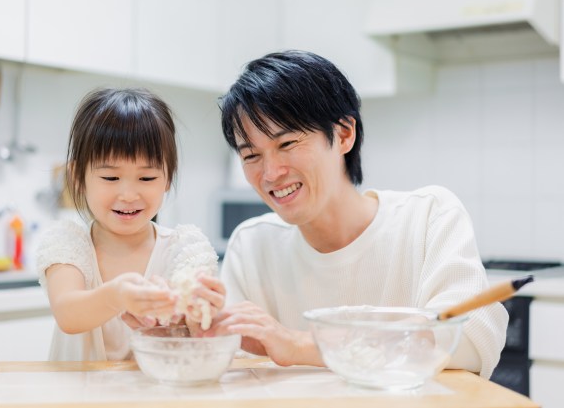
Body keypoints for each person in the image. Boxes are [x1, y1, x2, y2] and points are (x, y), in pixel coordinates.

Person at [207, 50, 508, 379]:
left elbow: (472, 341)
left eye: (288, 143)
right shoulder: (252, 245)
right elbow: (229, 365)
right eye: (251, 155)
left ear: (344, 134)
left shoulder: (427, 218)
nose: (270, 173)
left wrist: (300, 345)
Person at [36, 88, 225, 361]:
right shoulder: (68, 242)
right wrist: (118, 296)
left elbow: (196, 332)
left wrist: (202, 311)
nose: (128, 195)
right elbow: (68, 313)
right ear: (78, 177)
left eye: (146, 178)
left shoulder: (184, 248)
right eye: (111, 178)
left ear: (167, 178)